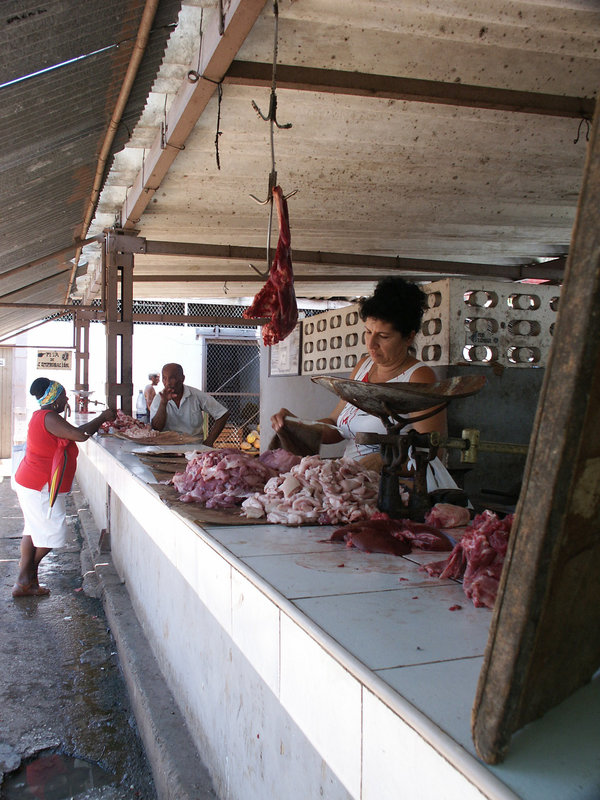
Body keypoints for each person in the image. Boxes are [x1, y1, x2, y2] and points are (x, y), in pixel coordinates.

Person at [271, 276, 458, 492]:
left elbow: (433, 451)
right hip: (354, 484)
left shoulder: (418, 378)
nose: (371, 344)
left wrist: (385, 461)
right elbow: (336, 425)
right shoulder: (363, 367)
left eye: (384, 336)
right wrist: (297, 425)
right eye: (368, 332)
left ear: (408, 337)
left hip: (398, 490)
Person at [12, 378, 116, 598]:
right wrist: (102, 418)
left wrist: (98, 420)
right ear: (53, 399)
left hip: (31, 482)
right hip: (39, 486)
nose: (66, 399)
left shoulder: (46, 416)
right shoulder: (48, 417)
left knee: (32, 530)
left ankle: (28, 582)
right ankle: (25, 576)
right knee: (54, 532)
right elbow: (80, 435)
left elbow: (75, 432)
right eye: (63, 397)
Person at [149, 363, 229, 446]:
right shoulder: (159, 398)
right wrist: (163, 403)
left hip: (193, 449)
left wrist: (209, 442)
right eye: (164, 378)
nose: (167, 382)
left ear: (182, 378)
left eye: (172, 378)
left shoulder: (196, 395)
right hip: (165, 449)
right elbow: (156, 428)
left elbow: (222, 414)